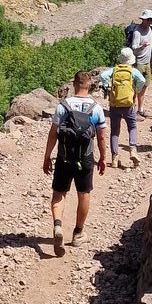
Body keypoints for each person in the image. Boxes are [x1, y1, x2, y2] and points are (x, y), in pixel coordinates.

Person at [43, 71, 108, 255]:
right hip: (85, 158)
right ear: (90, 86)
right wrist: (102, 158)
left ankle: (57, 226)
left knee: (59, 194)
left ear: (74, 84)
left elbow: (53, 133)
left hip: (64, 157)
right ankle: (78, 233)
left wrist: (47, 156)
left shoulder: (63, 106)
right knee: (84, 194)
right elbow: (102, 136)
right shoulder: (96, 108)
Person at [97, 48, 146, 165]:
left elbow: (103, 75)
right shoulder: (133, 71)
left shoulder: (114, 70)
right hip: (128, 104)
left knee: (115, 130)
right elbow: (142, 80)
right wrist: (136, 91)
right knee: (132, 126)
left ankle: (114, 157)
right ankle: (133, 149)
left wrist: (107, 87)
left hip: (115, 104)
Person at [125, 9, 152, 115]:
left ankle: (140, 109)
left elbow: (151, 45)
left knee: (144, 86)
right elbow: (134, 48)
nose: (150, 22)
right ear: (143, 20)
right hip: (138, 62)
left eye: (151, 20)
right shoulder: (137, 31)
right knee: (135, 87)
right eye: (148, 20)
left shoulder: (150, 29)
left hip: (147, 62)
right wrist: (141, 47)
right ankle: (132, 110)